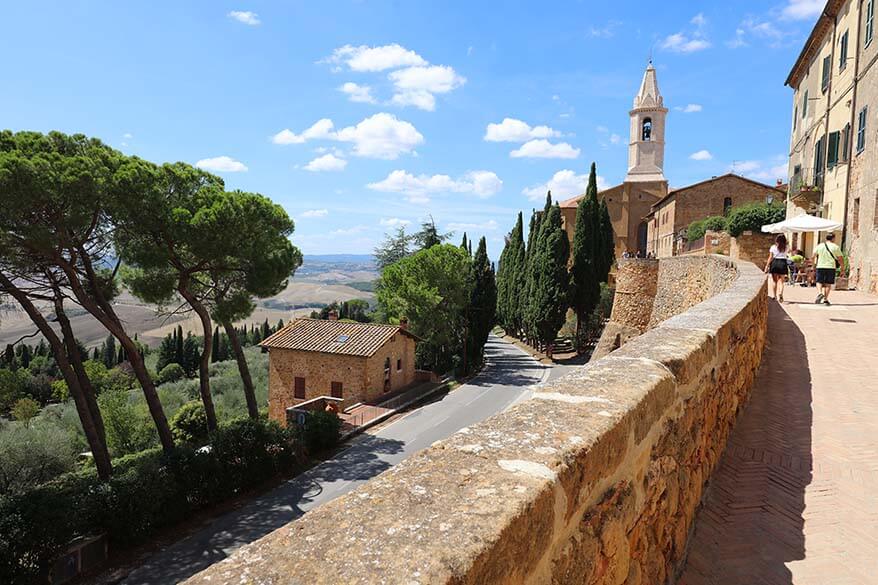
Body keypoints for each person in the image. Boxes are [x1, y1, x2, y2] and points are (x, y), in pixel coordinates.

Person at [813, 233, 843, 305]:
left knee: (819, 281)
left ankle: (820, 293)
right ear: (833, 238)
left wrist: (813, 265)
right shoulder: (835, 247)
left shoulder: (819, 246)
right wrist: (842, 268)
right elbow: (840, 259)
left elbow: (813, 256)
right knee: (828, 284)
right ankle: (825, 299)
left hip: (820, 266)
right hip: (831, 267)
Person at [764, 234, 790, 302]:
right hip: (783, 263)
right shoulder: (786, 247)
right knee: (781, 281)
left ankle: (774, 296)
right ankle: (780, 294)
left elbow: (770, 257)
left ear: (777, 240)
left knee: (774, 281)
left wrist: (767, 266)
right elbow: (788, 253)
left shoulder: (773, 247)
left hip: (775, 263)